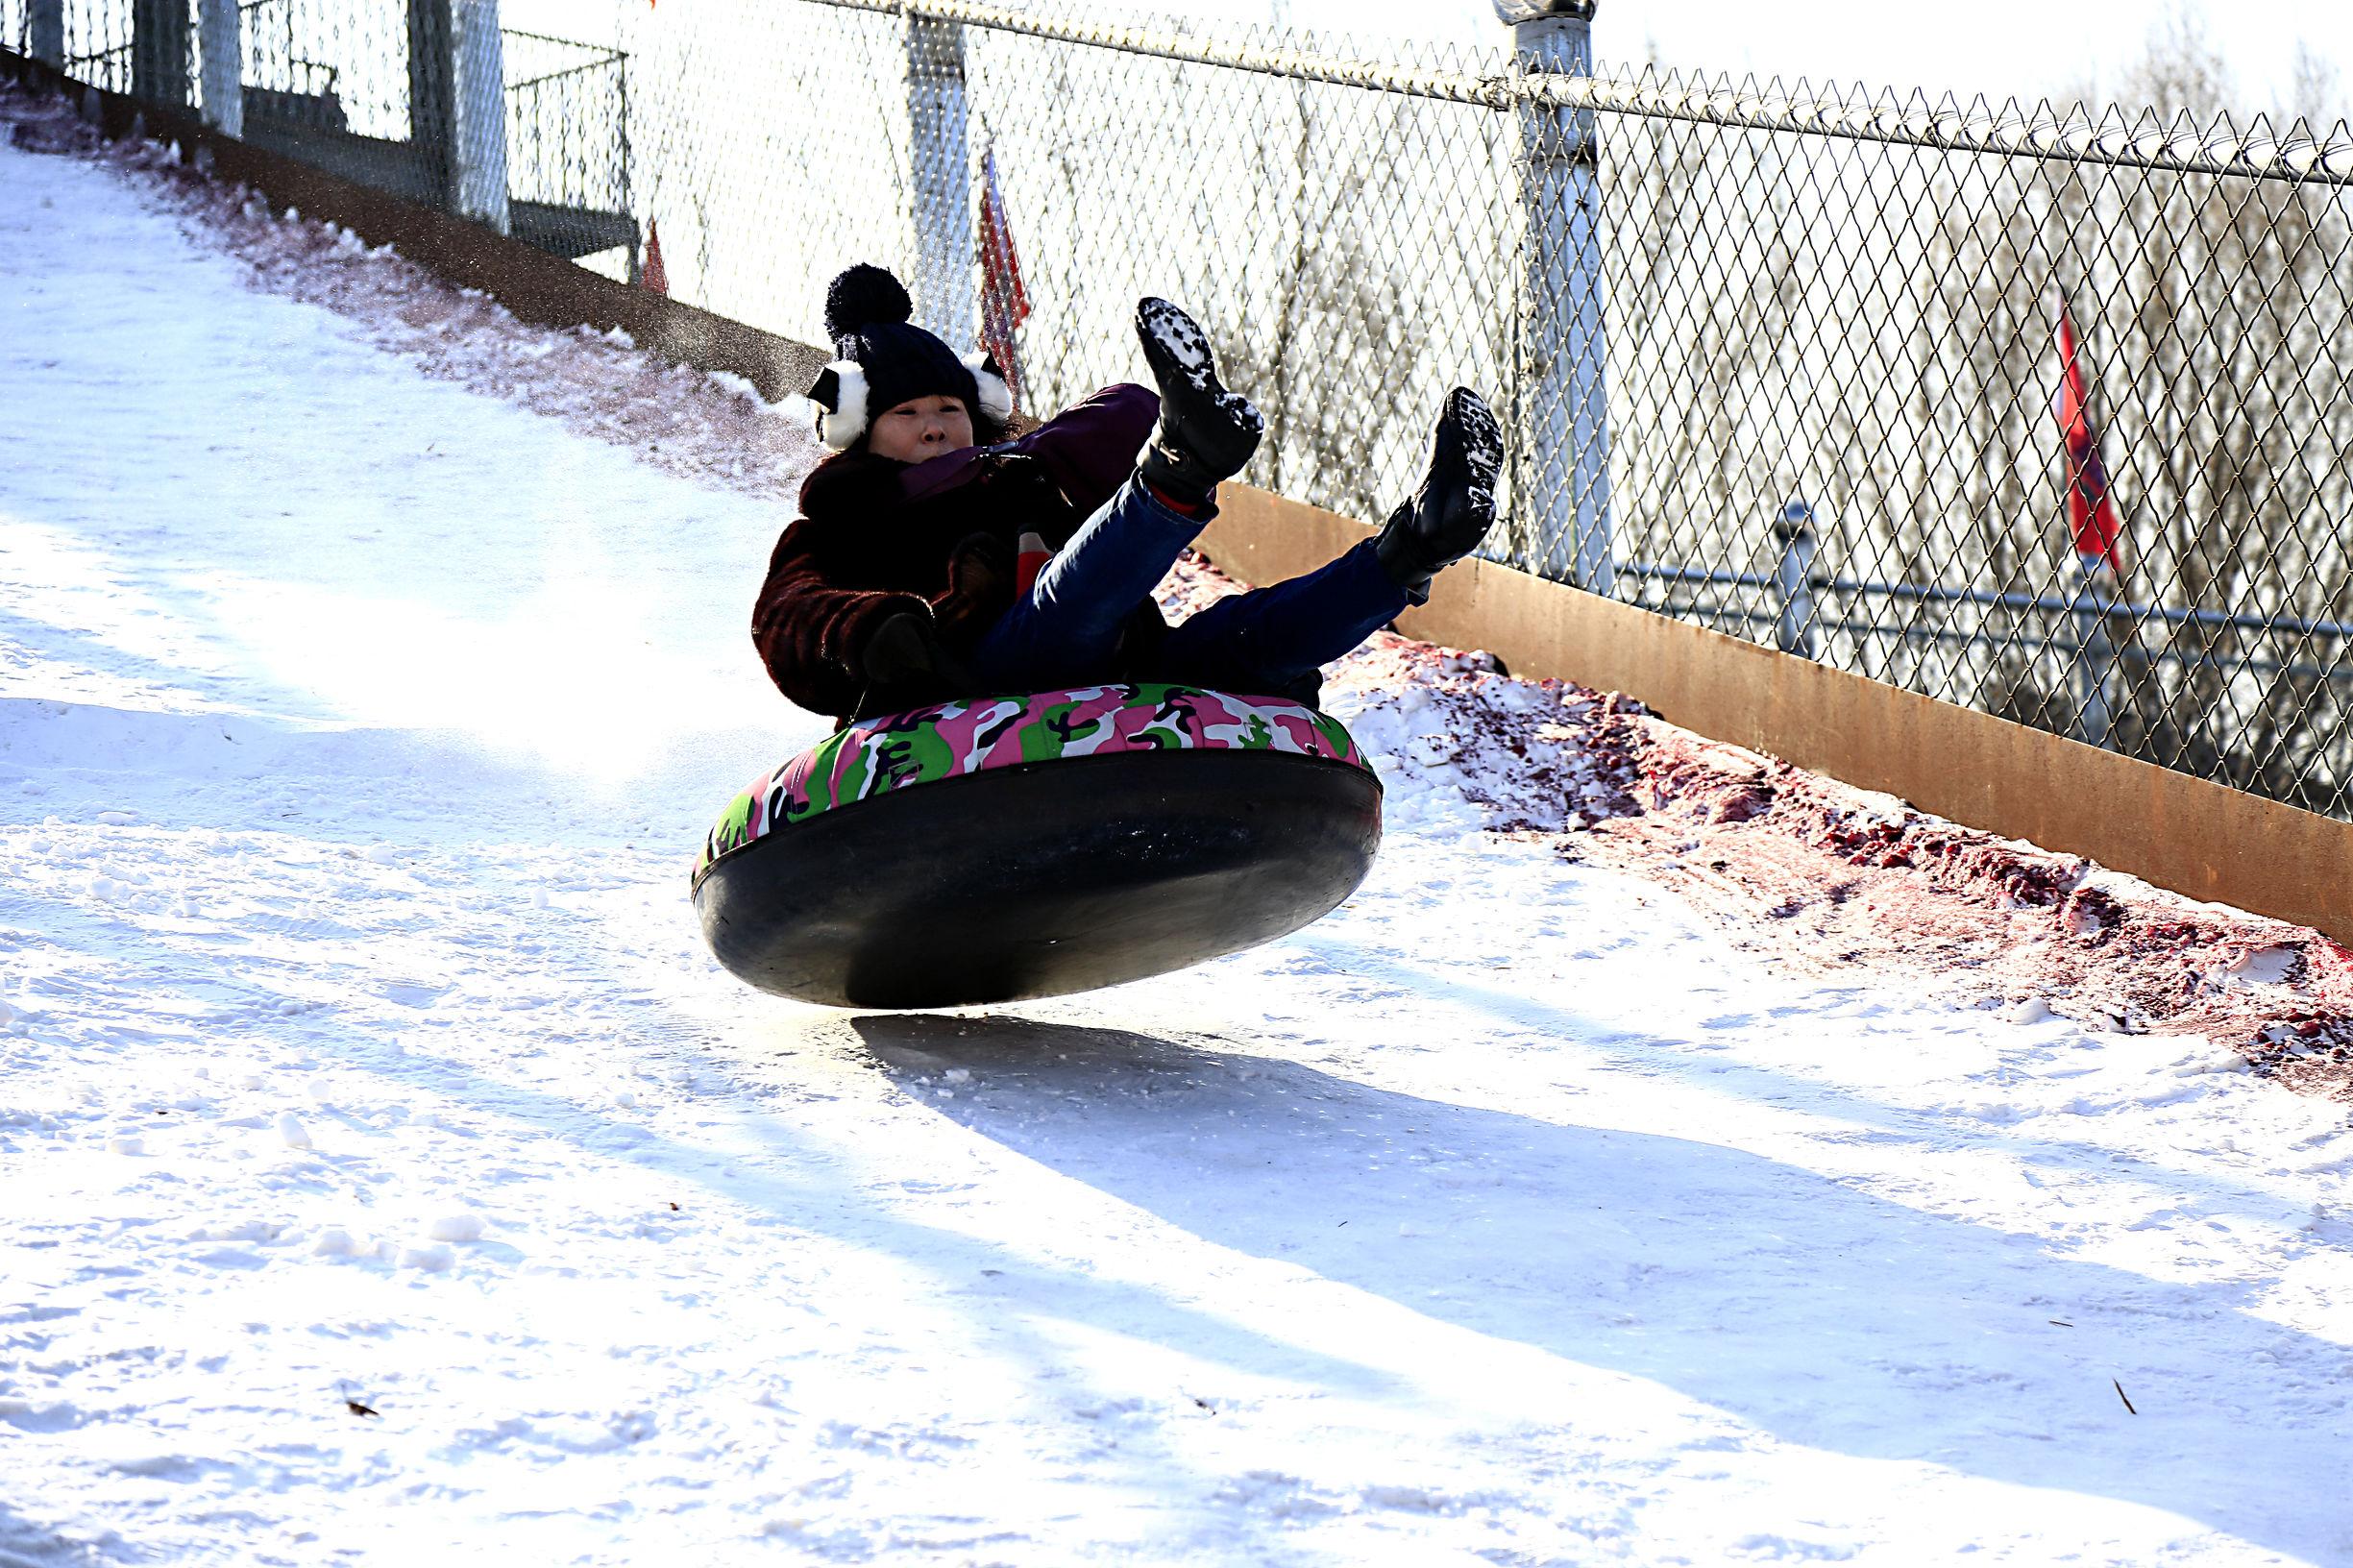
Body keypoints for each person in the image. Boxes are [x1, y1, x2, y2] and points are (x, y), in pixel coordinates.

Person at [752, 263, 1502, 723]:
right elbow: (785, 617)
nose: (932, 427)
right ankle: (1178, 472)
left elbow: (1118, 414)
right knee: (1062, 606)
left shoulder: (1019, 479)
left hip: (1120, 673)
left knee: (1251, 633)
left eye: (948, 409)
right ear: (858, 431)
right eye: (906, 414)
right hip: (974, 682)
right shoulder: (844, 523)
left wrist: (1016, 461)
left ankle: (1414, 546)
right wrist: (869, 630)